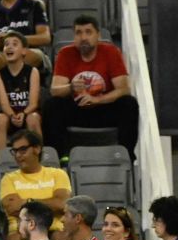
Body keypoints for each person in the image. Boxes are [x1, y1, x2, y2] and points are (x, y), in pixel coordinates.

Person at [41, 14, 135, 153]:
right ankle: (58, 157)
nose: (83, 37)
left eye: (88, 32)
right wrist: (71, 87)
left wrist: (98, 99)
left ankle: (126, 155)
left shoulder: (111, 52)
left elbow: (123, 89)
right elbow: (55, 90)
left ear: (98, 35)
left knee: (129, 103)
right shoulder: (65, 53)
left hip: (103, 108)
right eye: (79, 33)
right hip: (77, 108)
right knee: (51, 105)